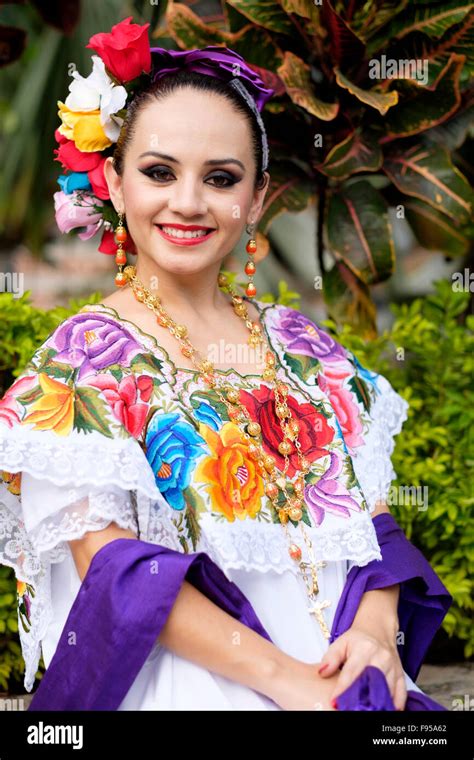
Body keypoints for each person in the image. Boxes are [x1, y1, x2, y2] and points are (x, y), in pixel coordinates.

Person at [0, 17, 451, 711]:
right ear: (115, 185)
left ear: (257, 200)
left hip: (349, 684)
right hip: (199, 690)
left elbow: (375, 527)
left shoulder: (305, 346)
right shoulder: (81, 364)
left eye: (221, 177)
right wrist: (292, 687)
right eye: (158, 172)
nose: (188, 202)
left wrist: (374, 637)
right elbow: (117, 575)